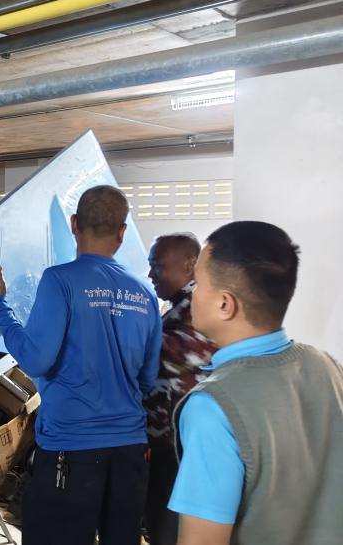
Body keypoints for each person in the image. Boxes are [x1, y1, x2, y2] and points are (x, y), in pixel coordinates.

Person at [0, 185, 162, 545]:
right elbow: (148, 378)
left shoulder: (59, 280)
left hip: (72, 449)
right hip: (130, 450)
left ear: (74, 224)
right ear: (122, 232)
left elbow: (35, 359)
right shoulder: (145, 294)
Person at [169, 221, 343, 545]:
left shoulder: (212, 406)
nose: (191, 292)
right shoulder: (328, 368)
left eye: (198, 282)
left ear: (225, 304)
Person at [143, 233, 216, 545]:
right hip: (169, 444)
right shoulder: (181, 305)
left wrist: (125, 327)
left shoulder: (200, 307)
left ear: (189, 264)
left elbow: (173, 354)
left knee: (169, 531)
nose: (151, 274)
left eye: (158, 266)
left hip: (181, 448)